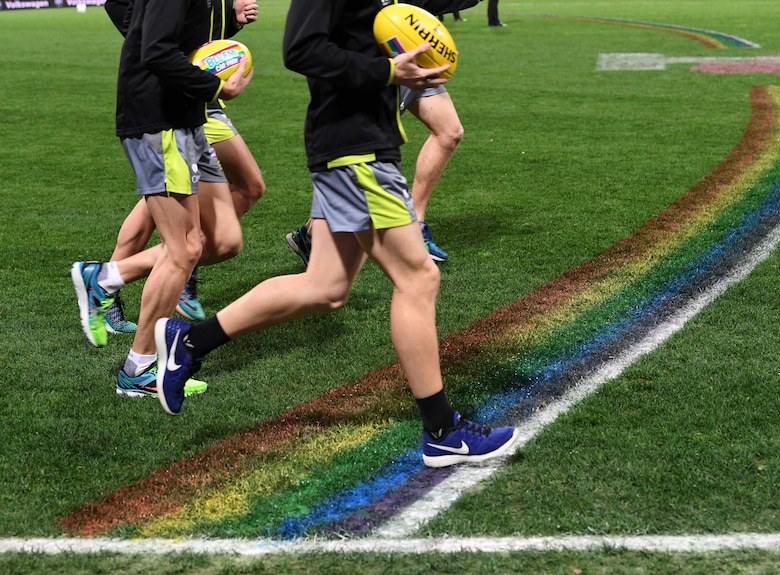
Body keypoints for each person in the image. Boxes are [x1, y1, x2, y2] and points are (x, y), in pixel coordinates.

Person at [153, 0, 518, 468]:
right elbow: (301, 49)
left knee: (324, 288)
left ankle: (189, 342)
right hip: (356, 150)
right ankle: (442, 431)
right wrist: (388, 71)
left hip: (358, 145)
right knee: (418, 278)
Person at [72, 0, 253, 397]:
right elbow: (154, 48)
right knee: (185, 247)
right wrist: (216, 85)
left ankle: (105, 277)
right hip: (160, 122)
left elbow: (177, 34)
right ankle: (138, 371)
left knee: (224, 239)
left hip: (187, 117)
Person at [102, 0, 265, 336]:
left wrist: (231, 22)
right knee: (181, 230)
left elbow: (190, 29)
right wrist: (151, 41)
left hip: (195, 97)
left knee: (235, 206)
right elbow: (150, 36)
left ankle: (112, 280)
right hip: (175, 98)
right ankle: (110, 286)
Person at [285, 1, 477, 266]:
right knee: (354, 157)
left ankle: (414, 221)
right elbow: (303, 49)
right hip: (384, 60)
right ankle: (314, 233)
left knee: (450, 131)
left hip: (410, 53)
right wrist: (386, 71)